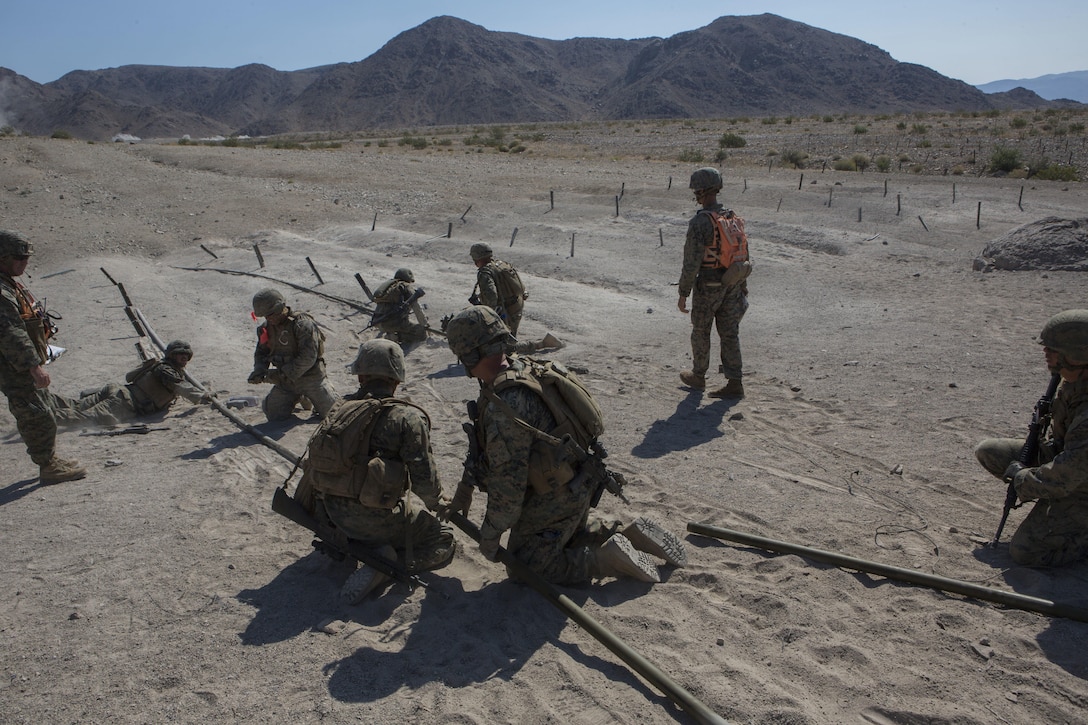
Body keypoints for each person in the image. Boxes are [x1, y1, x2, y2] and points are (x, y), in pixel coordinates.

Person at [442, 305, 686, 585]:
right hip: (576, 482)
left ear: (469, 354)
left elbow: (507, 488)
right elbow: (482, 453)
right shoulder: (523, 368)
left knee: (527, 565)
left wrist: (490, 533)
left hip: (554, 493)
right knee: (561, 534)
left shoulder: (505, 406)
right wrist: (464, 490)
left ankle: (603, 560)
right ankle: (622, 535)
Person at [296, 338, 454, 602]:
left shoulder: (340, 409)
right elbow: (424, 482)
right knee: (443, 539)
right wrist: (439, 502)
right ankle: (387, 566)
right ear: (397, 378)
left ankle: (360, 547)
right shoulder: (406, 417)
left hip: (330, 514)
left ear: (361, 376)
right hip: (373, 520)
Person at [975, 309, 1088, 567]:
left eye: (1053, 349)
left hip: (1077, 480)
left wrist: (1022, 478)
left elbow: (1065, 477)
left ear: (1078, 354)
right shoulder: (1074, 378)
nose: (1046, 353)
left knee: (1027, 551)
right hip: (1071, 463)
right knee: (991, 452)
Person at [0, 229, 86, 484]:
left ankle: (50, 459)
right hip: (14, 367)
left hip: (18, 364)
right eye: (19, 258)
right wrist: (34, 367)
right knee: (37, 416)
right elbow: (10, 333)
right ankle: (48, 467)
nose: (25, 263)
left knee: (42, 409)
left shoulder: (8, 281)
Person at [677, 167, 751, 399]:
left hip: (709, 285)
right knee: (730, 332)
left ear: (699, 191)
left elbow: (691, 261)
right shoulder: (730, 217)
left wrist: (683, 292)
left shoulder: (701, 221)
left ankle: (698, 376)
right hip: (733, 282)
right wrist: (742, 285)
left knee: (701, 331)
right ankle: (734, 381)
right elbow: (743, 251)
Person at [54, 340, 209, 426]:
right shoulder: (166, 370)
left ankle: (43, 400)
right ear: (172, 355)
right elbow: (179, 386)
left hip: (120, 392)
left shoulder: (163, 367)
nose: (184, 358)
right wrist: (202, 396)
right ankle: (43, 417)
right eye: (180, 354)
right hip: (125, 402)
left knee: (76, 406)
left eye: (186, 356)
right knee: (83, 417)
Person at [247, 288, 338, 422]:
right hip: (286, 383)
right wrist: (259, 370)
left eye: (271, 314)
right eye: (265, 316)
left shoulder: (302, 324)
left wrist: (281, 374)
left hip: (312, 379)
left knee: (334, 414)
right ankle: (300, 397)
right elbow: (261, 353)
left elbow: (308, 357)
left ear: (281, 308)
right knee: (273, 414)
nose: (268, 319)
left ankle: (310, 396)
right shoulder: (265, 329)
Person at [467, 243, 562, 354]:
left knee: (505, 346)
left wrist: (482, 308)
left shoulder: (485, 272)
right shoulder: (501, 265)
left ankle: (543, 344)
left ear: (476, 257)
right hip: (516, 305)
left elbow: (491, 299)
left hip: (505, 311)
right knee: (508, 338)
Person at [369, 268, 427, 347]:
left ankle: (391, 333)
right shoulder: (406, 287)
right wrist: (425, 325)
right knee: (422, 333)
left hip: (378, 321)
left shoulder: (389, 287)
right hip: (393, 322)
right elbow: (417, 309)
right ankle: (396, 337)